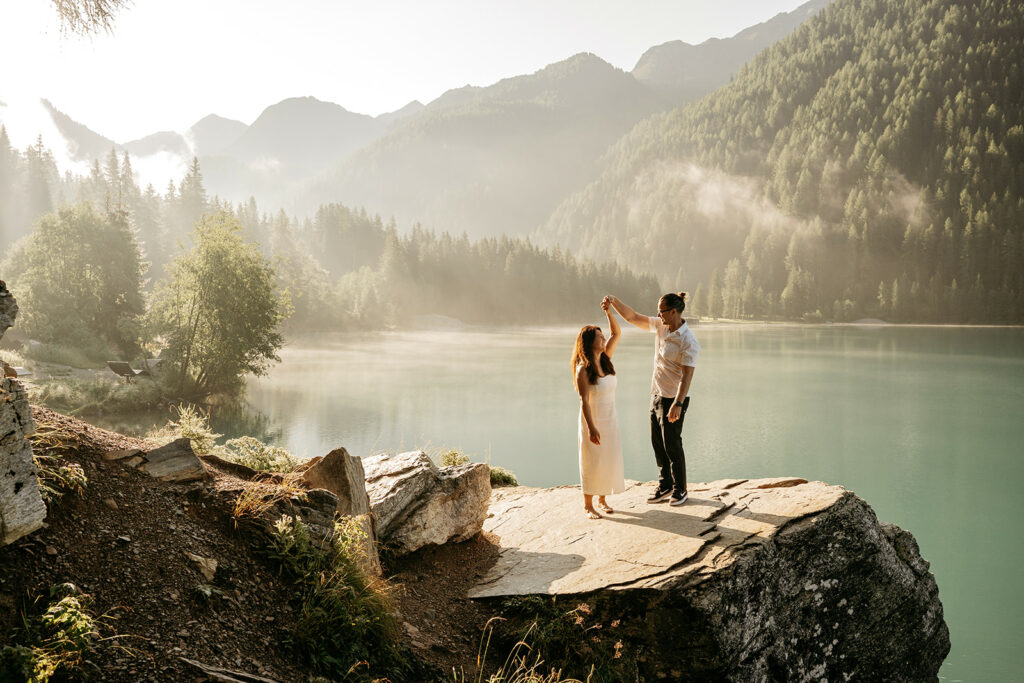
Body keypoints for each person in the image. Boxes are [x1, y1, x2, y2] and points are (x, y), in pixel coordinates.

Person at [604, 292, 699, 506]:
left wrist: (678, 403)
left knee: (672, 445)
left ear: (673, 312)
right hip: (656, 394)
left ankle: (680, 489)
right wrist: (614, 301)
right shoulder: (661, 326)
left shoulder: (688, 340)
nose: (658, 314)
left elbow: (687, 376)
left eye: (662, 310)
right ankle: (665, 485)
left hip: (673, 399)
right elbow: (632, 317)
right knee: (658, 444)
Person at [571, 299, 626, 519]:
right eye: (599, 337)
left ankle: (603, 499)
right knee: (592, 459)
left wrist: (609, 312)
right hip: (592, 420)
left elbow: (617, 333)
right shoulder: (583, 368)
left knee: (608, 457)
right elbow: (584, 400)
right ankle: (588, 505)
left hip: (610, 419)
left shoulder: (605, 359)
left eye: (603, 336)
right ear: (589, 342)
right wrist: (591, 428)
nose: (604, 339)